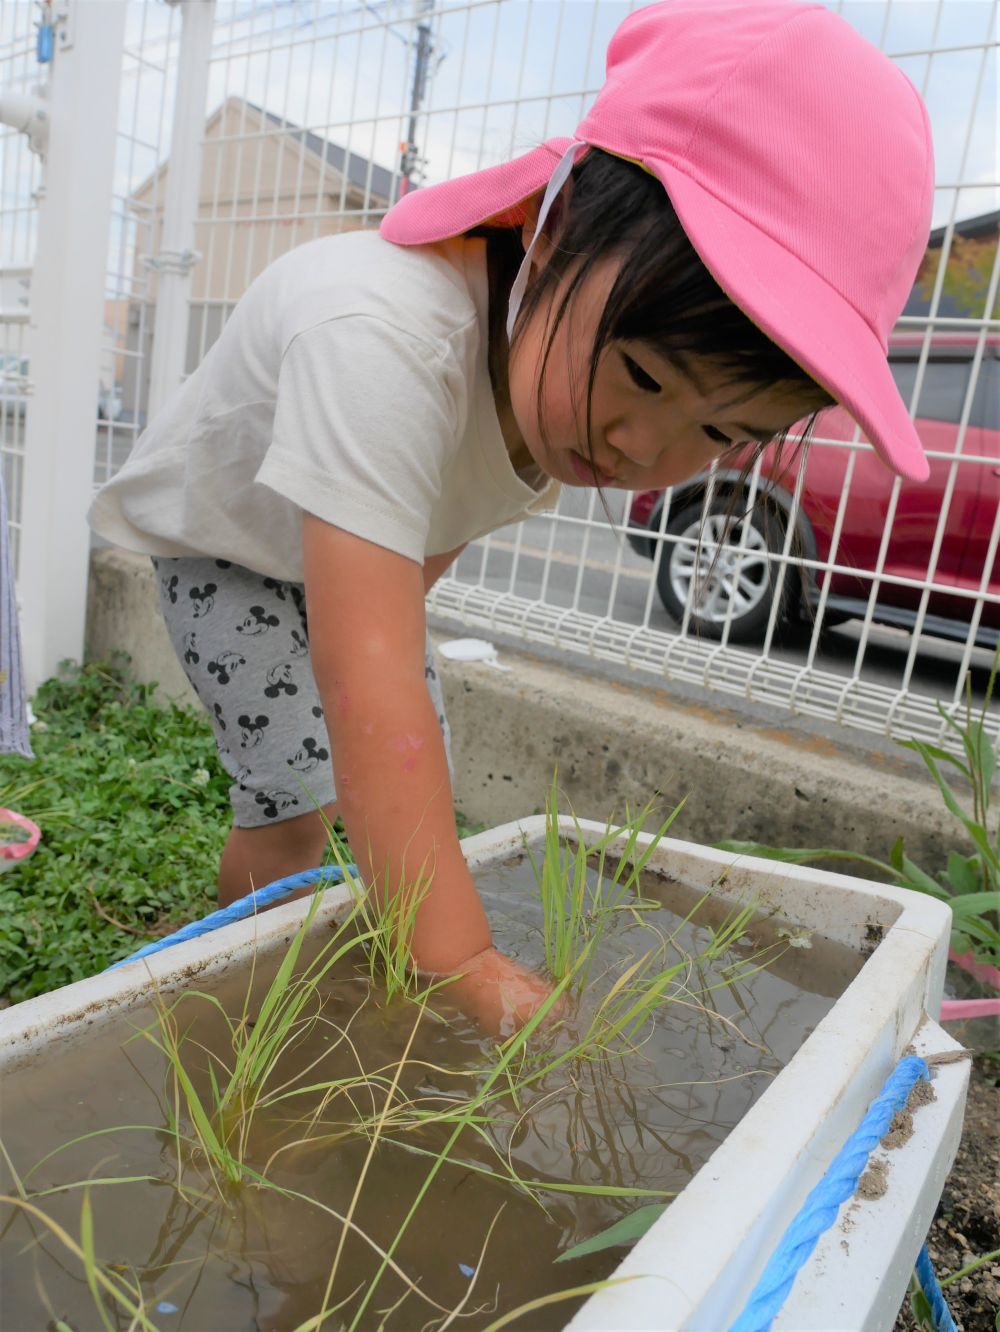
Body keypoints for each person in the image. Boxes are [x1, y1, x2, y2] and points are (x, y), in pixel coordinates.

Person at [89, 0, 933, 1032]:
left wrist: (378, 687)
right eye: (642, 374)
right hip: (226, 545)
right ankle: (235, 1000)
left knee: (408, 765)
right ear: (558, 223)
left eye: (719, 435)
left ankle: (354, 950)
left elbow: (435, 529)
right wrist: (465, 964)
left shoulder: (550, 380)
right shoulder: (385, 340)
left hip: (337, 555)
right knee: (299, 795)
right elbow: (371, 692)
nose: (645, 449)